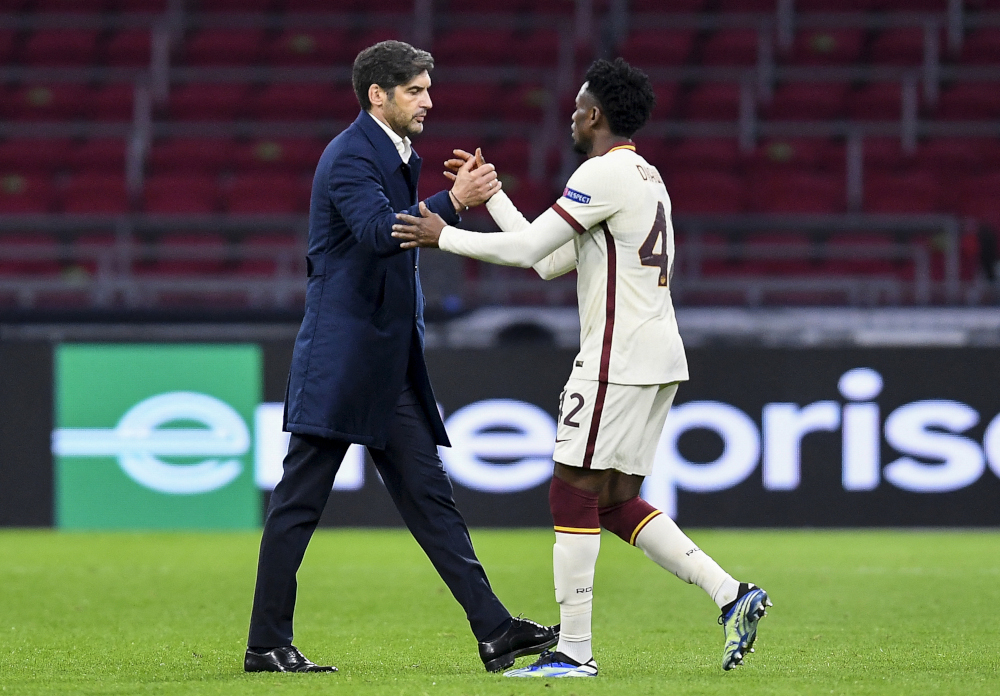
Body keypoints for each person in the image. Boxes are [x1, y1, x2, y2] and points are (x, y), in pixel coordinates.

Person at [392, 57, 771, 678]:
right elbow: (547, 261)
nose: (570, 115)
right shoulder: (644, 176)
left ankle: (574, 652)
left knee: (570, 489)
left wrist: (445, 235)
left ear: (594, 114)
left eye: (576, 106)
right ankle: (732, 595)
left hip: (617, 358)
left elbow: (524, 251)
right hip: (655, 356)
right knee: (615, 502)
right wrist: (495, 199)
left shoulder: (602, 173)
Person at [245, 40, 557, 675]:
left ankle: (494, 631)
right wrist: (453, 204)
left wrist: (451, 203)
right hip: (343, 358)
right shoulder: (350, 156)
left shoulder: (393, 152)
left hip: (386, 362)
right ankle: (265, 644)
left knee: (431, 501)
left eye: (427, 88)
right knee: (298, 503)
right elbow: (376, 231)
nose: (429, 101)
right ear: (377, 95)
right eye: (415, 90)